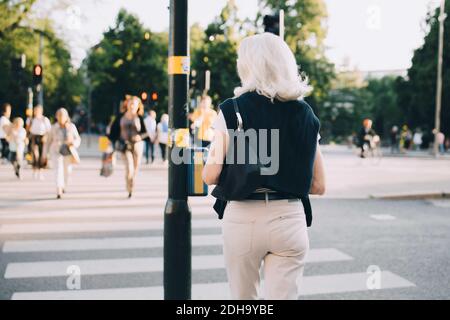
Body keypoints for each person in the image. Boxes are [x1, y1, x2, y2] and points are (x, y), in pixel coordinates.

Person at [202, 33, 326, 300]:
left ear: (247, 66)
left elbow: (210, 174)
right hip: (290, 219)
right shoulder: (305, 113)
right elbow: (319, 185)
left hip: (243, 219)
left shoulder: (232, 110)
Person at [110, 96, 147, 198]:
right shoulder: (120, 116)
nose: (131, 106)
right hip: (124, 146)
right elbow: (113, 131)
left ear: (137, 106)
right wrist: (111, 143)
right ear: (127, 104)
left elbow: (146, 133)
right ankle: (129, 188)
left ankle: (132, 185)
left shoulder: (139, 118)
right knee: (129, 168)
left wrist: (140, 136)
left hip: (137, 146)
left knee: (135, 169)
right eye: (130, 104)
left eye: (134, 104)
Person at [45, 108, 81, 199]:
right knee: (58, 170)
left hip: (68, 151)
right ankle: (58, 189)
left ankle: (64, 185)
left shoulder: (71, 127)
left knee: (67, 171)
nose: (61, 117)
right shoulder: (53, 128)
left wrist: (73, 143)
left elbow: (78, 139)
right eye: (59, 115)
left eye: (63, 115)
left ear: (66, 117)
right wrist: (44, 154)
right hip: (56, 151)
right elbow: (48, 141)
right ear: (56, 117)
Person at [28, 105, 51, 180]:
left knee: (42, 155)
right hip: (34, 137)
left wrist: (45, 137)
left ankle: (41, 172)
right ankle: (34, 170)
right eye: (35, 111)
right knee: (35, 154)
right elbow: (28, 129)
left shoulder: (45, 119)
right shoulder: (31, 119)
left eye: (37, 110)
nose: (36, 112)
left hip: (42, 137)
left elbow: (49, 130)